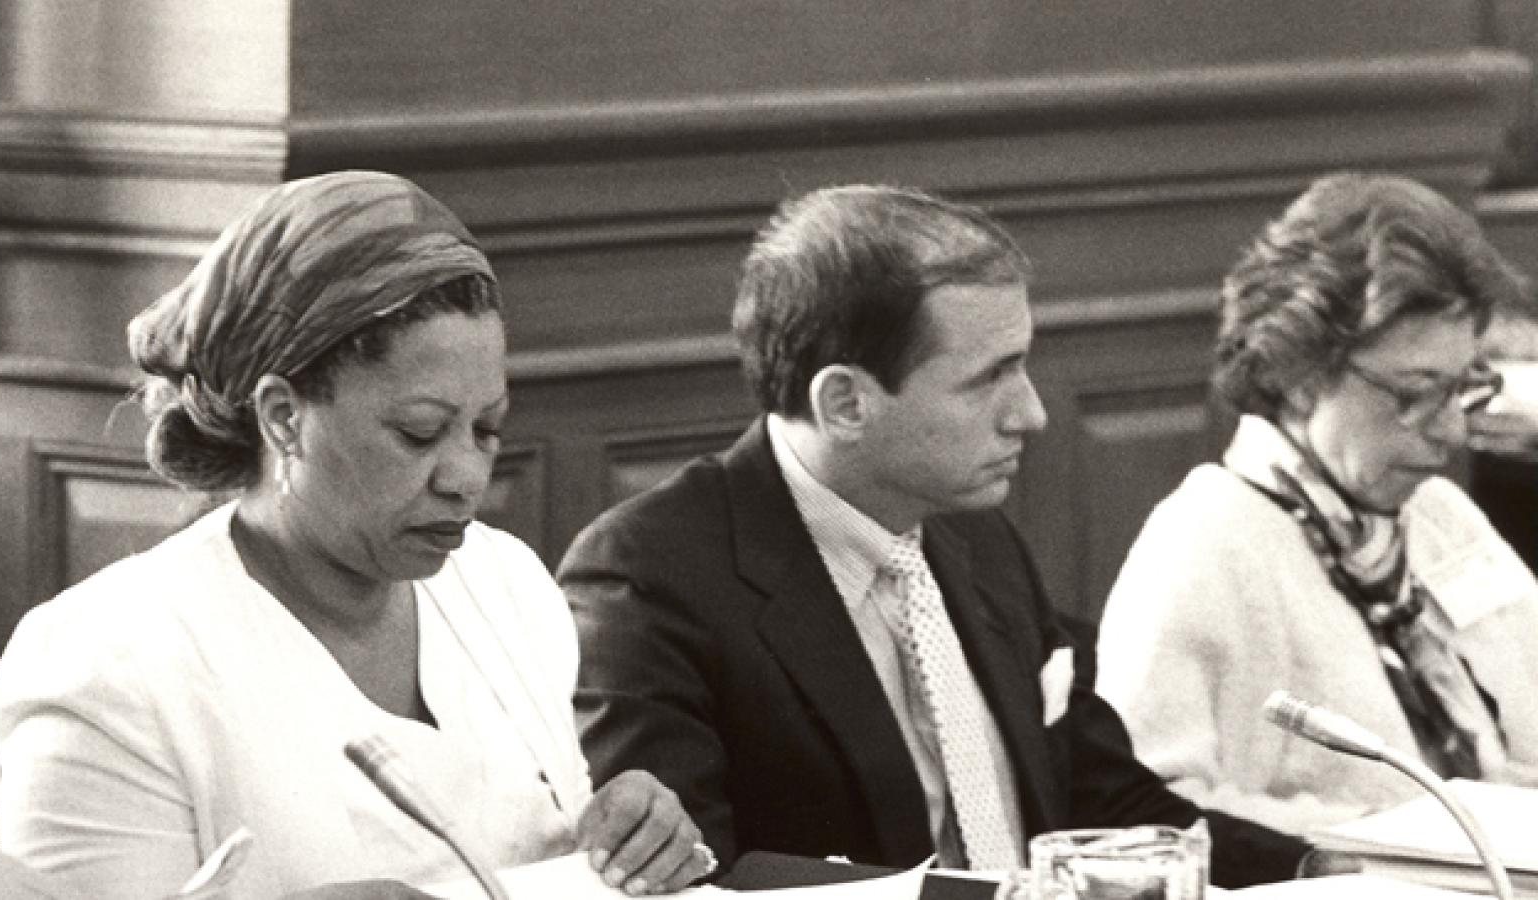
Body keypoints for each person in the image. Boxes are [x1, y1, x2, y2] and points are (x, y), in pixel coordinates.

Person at [559, 184, 1309, 887]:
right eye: (990, 380)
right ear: (847, 403)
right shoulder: (648, 580)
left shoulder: (979, 542)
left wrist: (1324, 872)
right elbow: (685, 883)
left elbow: (1103, 803)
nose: (1032, 414)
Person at [0, 172, 710, 900]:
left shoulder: (506, 586)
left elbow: (554, 856)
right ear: (282, 417)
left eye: (487, 430)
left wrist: (627, 840)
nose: (466, 477)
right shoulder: (112, 667)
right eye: (418, 432)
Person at [1095, 173, 1538, 836]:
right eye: (1415, 395)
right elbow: (1152, 813)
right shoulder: (1206, 540)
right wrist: (1387, 842)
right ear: (1299, 374)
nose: (1449, 432)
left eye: (1462, 389)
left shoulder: (1441, 516)